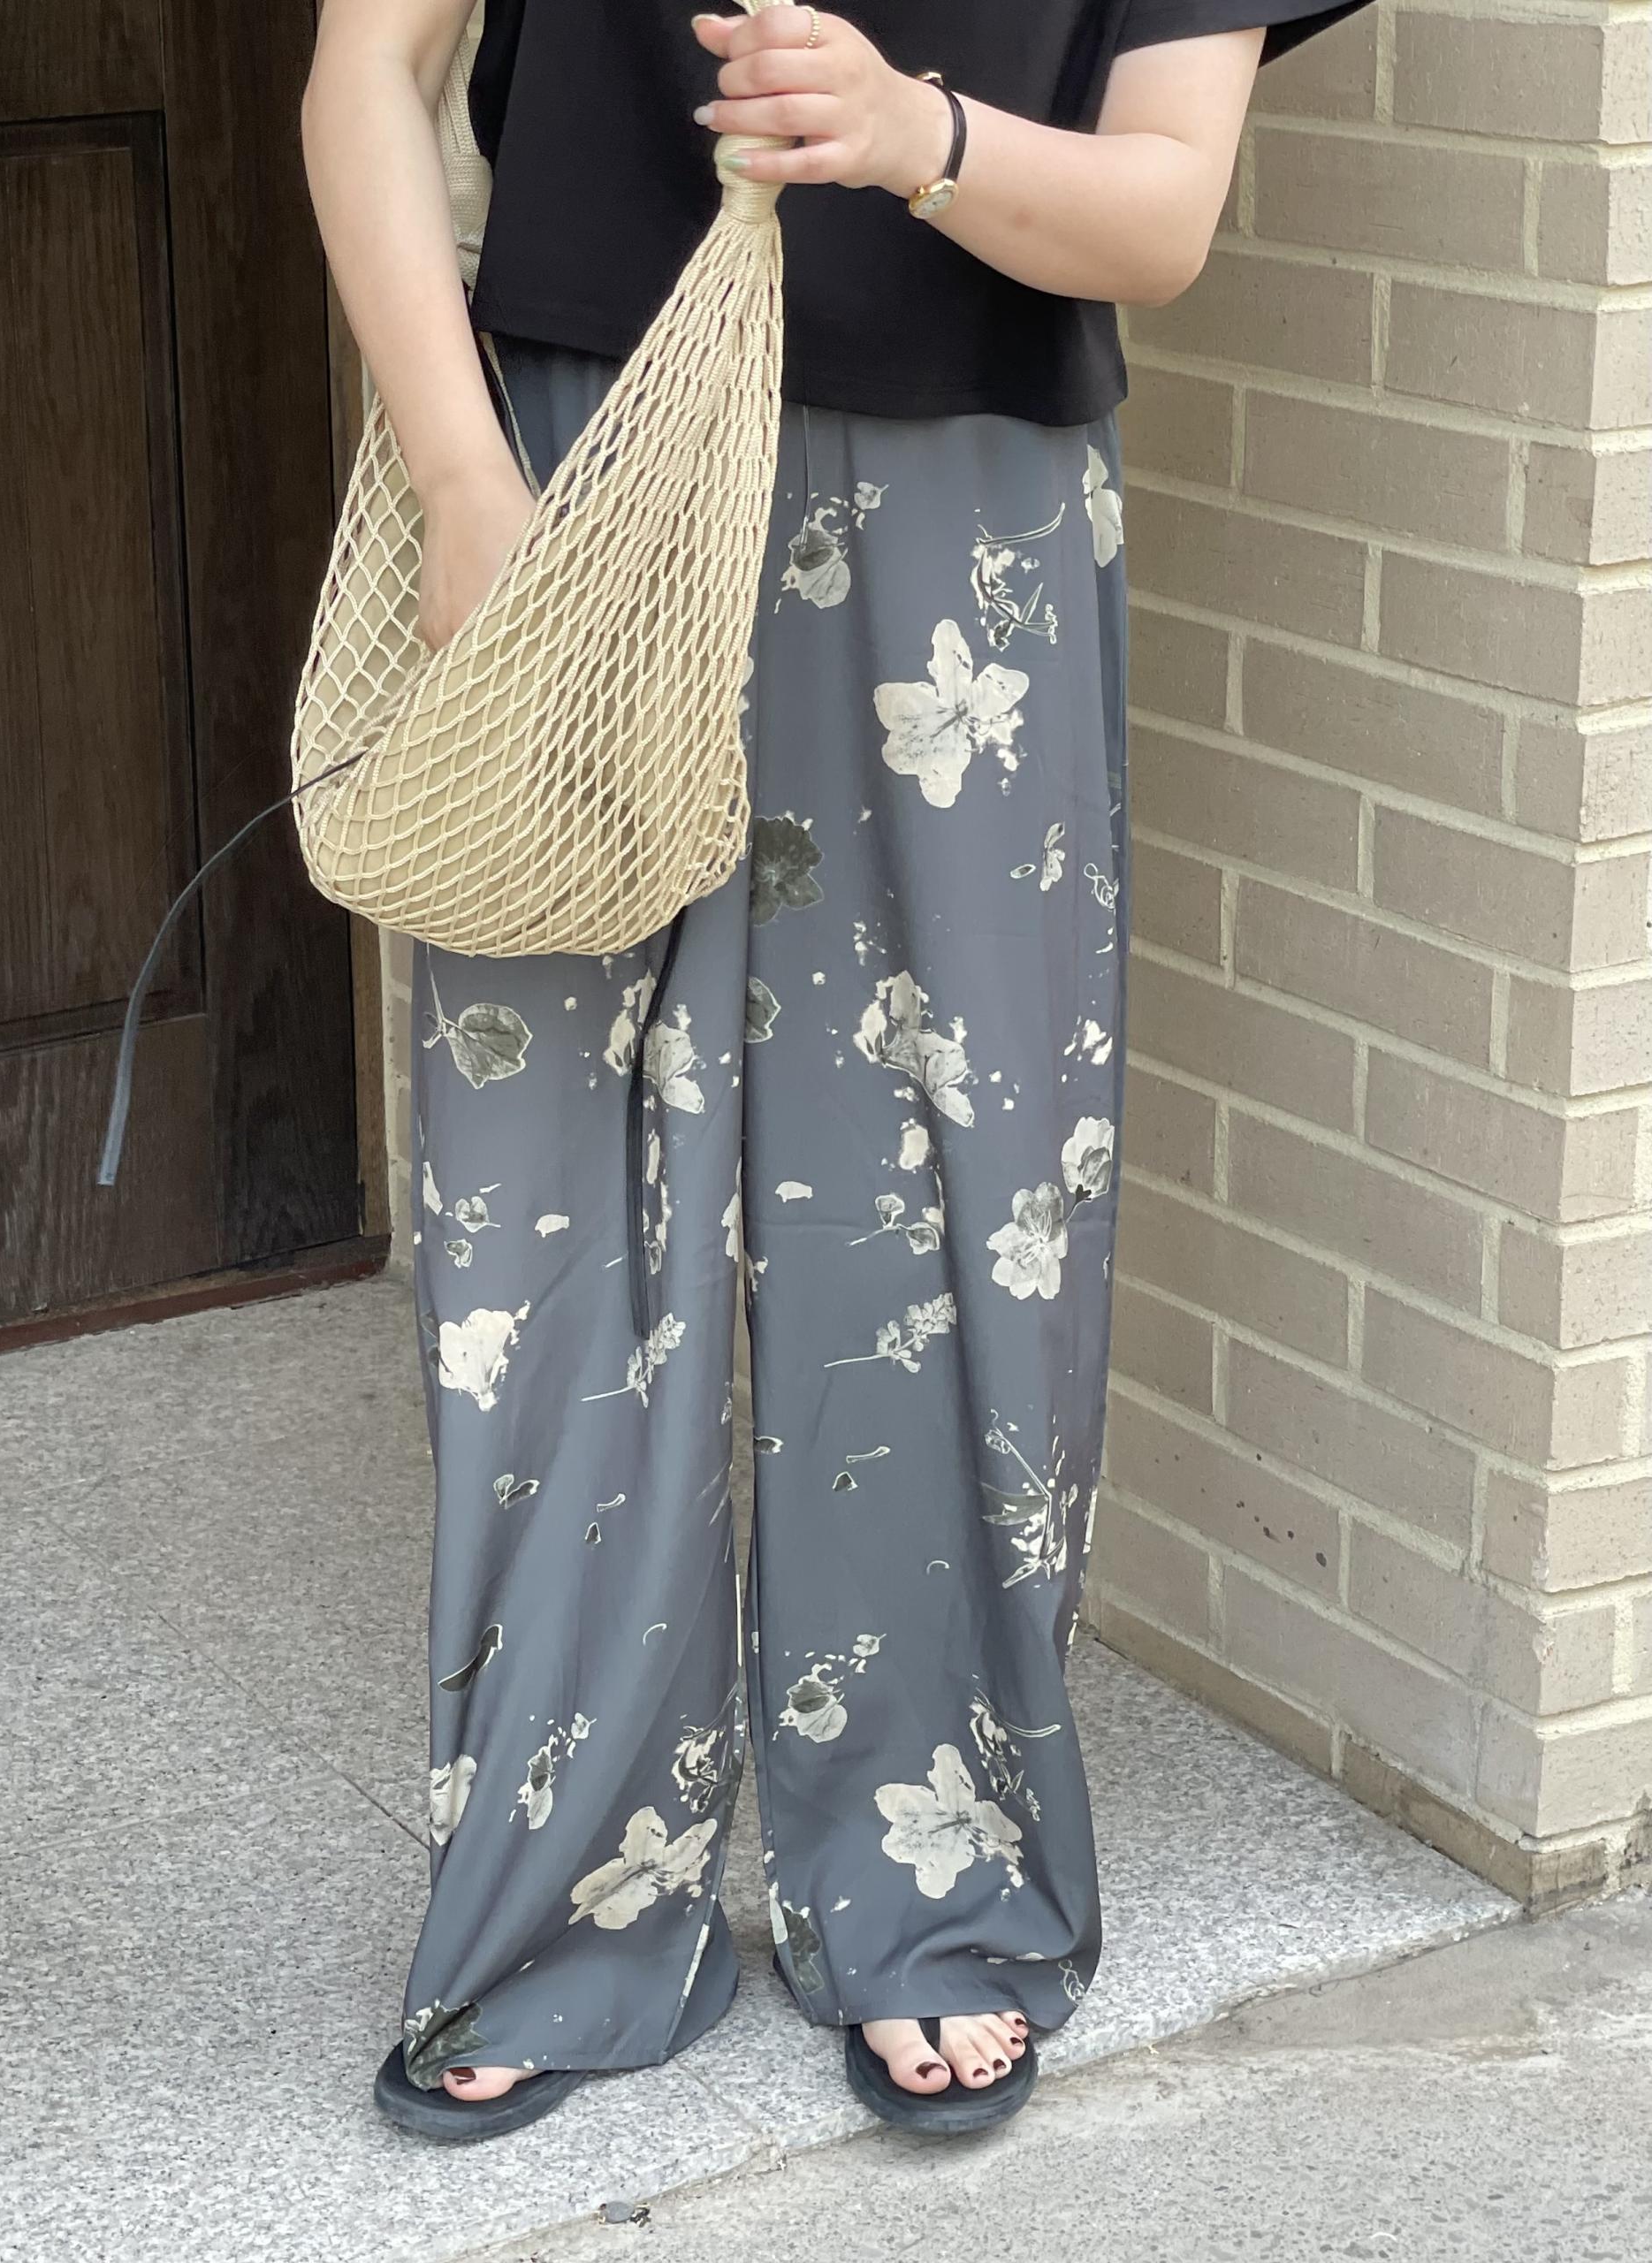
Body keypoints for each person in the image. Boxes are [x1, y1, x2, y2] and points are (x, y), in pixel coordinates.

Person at [301, 0, 1376, 2142]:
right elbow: (364, 72)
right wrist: (457, 474)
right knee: (550, 1220)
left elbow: (1163, 210)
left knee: (949, 1213)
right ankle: (557, 1904)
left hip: (959, 513)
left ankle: (930, 1874)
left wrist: (912, 134)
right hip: (569, 469)